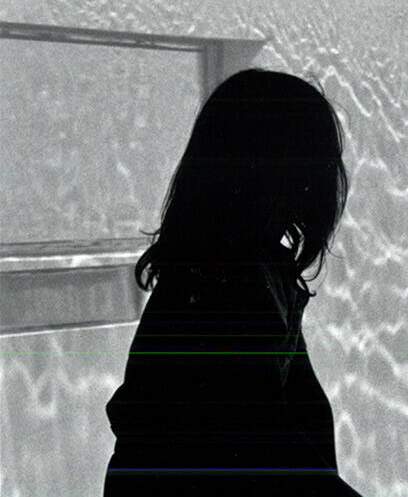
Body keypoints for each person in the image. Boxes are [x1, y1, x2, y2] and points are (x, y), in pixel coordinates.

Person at [103, 69, 363, 496]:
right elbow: (266, 440)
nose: (328, 176)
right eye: (314, 159)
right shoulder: (226, 282)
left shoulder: (255, 272)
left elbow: (299, 415)